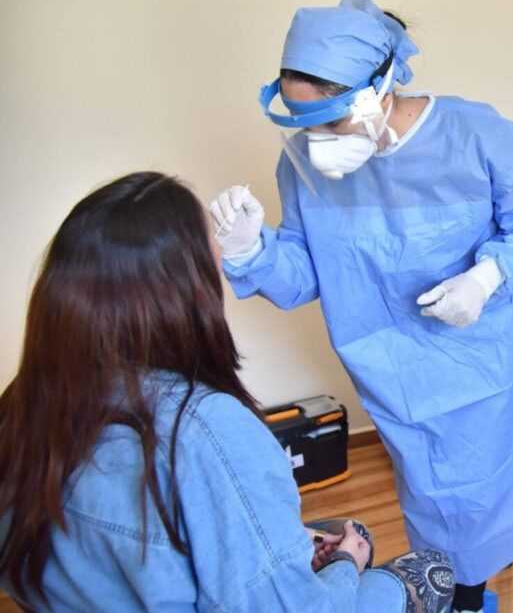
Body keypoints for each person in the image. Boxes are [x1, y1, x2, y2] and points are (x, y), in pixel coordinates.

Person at [210, 0, 513, 613]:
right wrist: (251, 252)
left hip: (488, 371)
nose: (318, 142)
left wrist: (486, 278)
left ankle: (467, 594)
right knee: (433, 504)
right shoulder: (303, 165)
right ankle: (460, 590)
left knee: (492, 500)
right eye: (305, 124)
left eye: (331, 120)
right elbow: (309, 273)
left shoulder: (482, 139)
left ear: (379, 89)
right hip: (397, 380)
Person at [0, 172, 454, 613]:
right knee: (428, 569)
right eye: (212, 254)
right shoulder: (205, 431)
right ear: (184, 288)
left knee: (337, 533)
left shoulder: (22, 401)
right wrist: (344, 565)